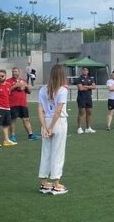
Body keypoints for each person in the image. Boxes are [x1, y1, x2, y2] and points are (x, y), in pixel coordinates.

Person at [38, 64, 69, 195]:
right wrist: (50, 128)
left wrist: (45, 127)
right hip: (58, 122)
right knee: (58, 152)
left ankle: (44, 182)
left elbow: (40, 110)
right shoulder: (62, 90)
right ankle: (56, 183)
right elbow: (58, 111)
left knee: (46, 152)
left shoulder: (42, 89)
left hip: (46, 120)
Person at [7, 67, 40, 142]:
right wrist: (16, 85)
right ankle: (12, 136)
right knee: (13, 120)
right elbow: (7, 91)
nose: (14, 73)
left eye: (15, 71)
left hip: (23, 104)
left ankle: (30, 135)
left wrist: (26, 87)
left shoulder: (24, 81)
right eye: (13, 72)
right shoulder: (8, 81)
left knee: (26, 119)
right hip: (13, 104)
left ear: (19, 72)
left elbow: (29, 91)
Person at [0, 69, 15, 148]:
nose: (0, 77)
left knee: (6, 124)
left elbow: (8, 95)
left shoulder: (8, 85)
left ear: (5, 76)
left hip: (7, 108)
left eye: (2, 76)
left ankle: (6, 140)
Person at [75, 67, 96, 134]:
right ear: (82, 71)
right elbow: (80, 88)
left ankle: (88, 128)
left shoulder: (91, 79)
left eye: (86, 70)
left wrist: (86, 86)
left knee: (89, 112)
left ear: (88, 71)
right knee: (81, 112)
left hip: (88, 97)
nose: (85, 71)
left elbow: (94, 87)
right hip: (81, 98)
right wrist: (89, 87)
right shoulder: (79, 79)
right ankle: (79, 128)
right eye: (83, 70)